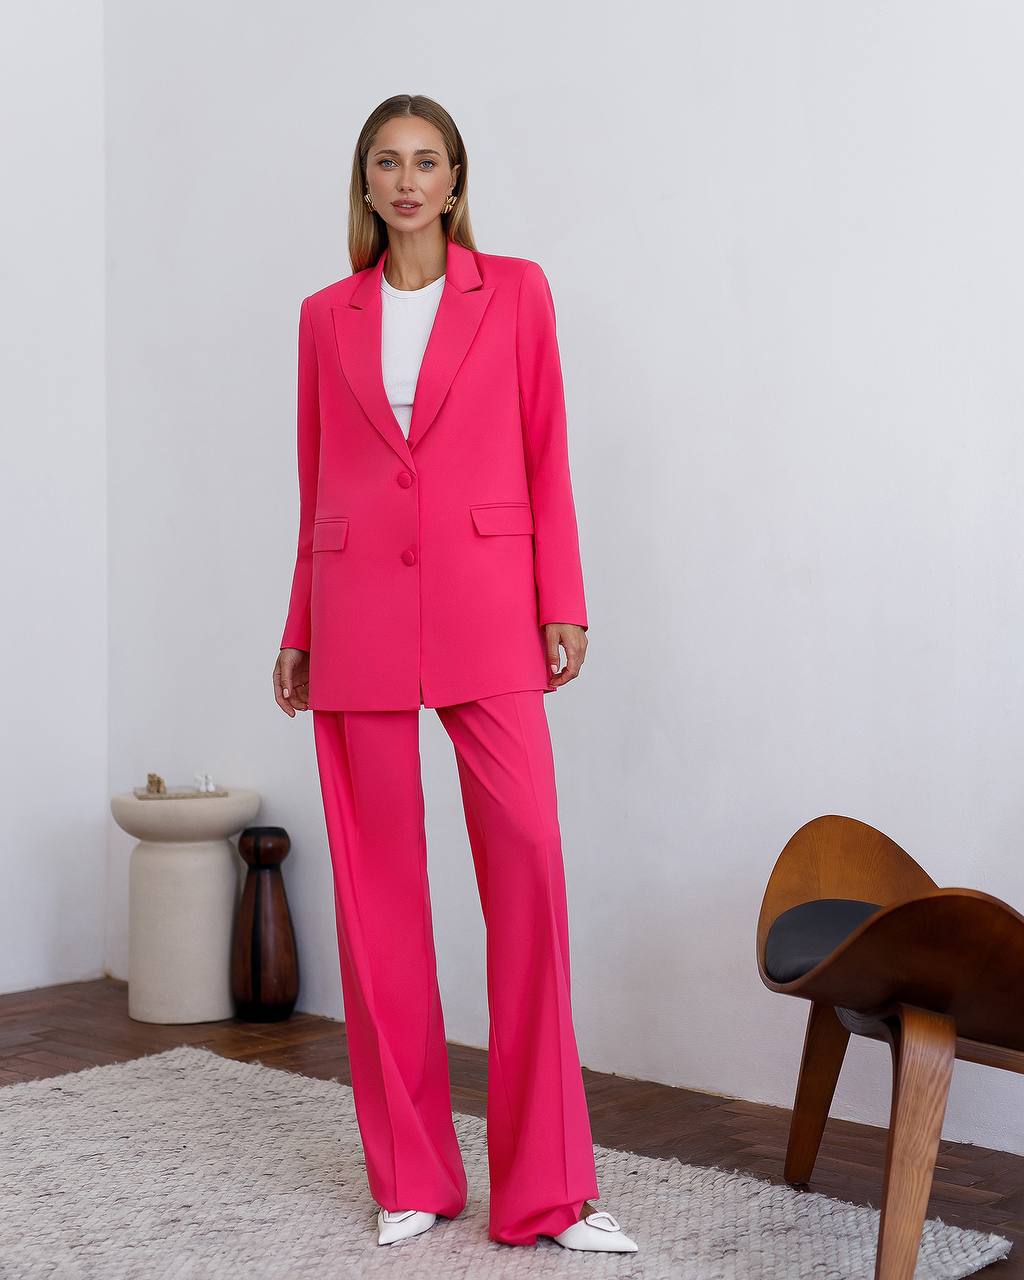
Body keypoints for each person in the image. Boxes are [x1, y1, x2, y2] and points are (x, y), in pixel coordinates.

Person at [272, 93, 637, 1255]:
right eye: (387, 161)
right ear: (365, 184)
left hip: (488, 607)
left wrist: (562, 599)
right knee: (379, 901)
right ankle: (413, 1175)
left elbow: (547, 451)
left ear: (456, 178)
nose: (408, 179)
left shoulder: (516, 292)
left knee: (525, 865)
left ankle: (547, 1188)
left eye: (427, 161)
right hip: (358, 612)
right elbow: (314, 481)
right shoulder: (324, 316)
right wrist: (298, 622)